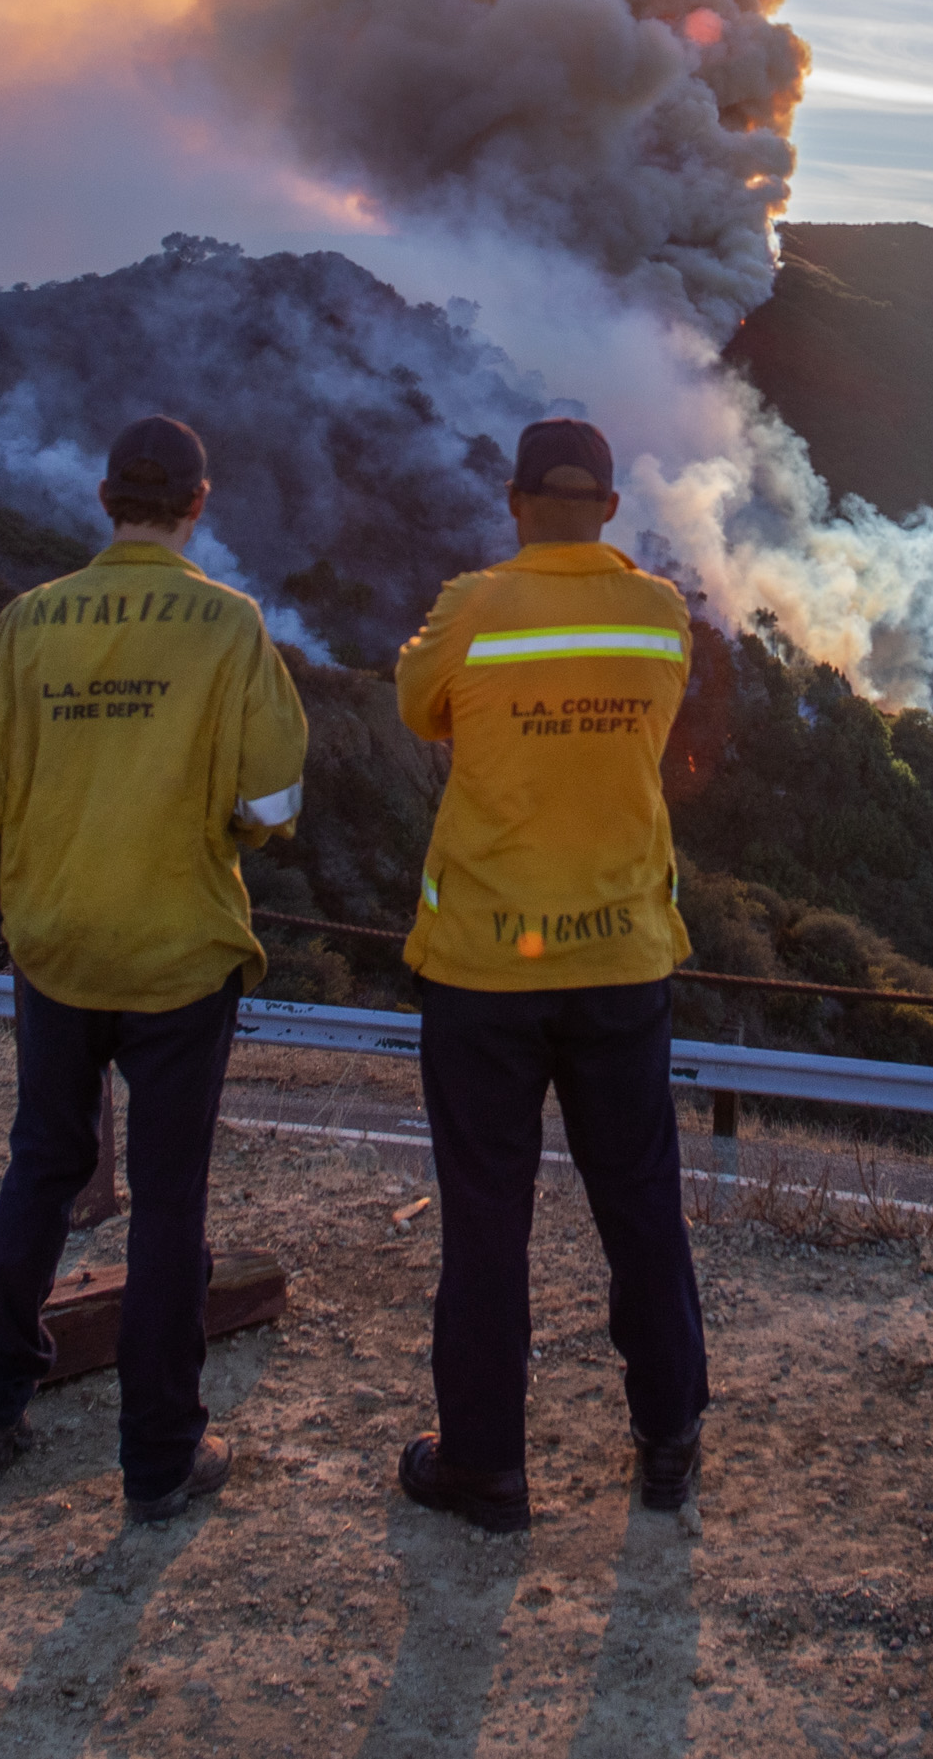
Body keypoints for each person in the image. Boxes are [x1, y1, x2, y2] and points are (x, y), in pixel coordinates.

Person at [0, 415, 309, 1524]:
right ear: (199, 500)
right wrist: (209, 835)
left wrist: (20, 893)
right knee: (169, 1197)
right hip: (178, 951)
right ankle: (157, 1458)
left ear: (105, 499)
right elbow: (272, 802)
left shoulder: (28, 621)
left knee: (42, 1162)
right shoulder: (228, 626)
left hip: (53, 946)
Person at [388, 417, 710, 1535]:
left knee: (486, 1219)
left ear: (515, 498)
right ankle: (668, 1435)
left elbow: (413, 707)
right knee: (640, 1201)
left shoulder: (469, 606)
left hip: (485, 965)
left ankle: (484, 1465)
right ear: (610, 508)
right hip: (621, 954)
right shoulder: (661, 611)